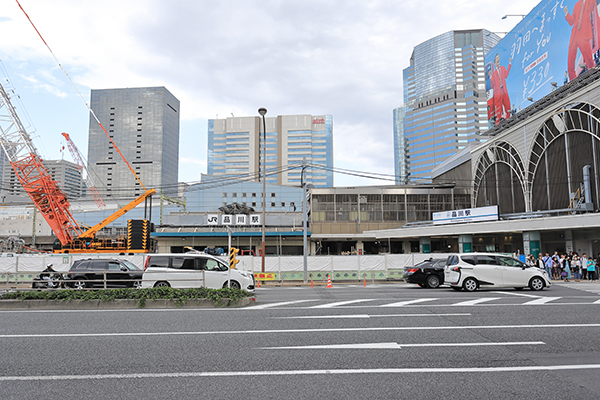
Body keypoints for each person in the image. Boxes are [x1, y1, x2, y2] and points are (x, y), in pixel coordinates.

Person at [564, 0, 598, 80]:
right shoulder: (577, 4)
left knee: (588, 58)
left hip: (584, 34)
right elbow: (572, 21)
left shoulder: (589, 2)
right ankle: (573, 81)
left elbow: (590, 9)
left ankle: (593, 75)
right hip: (575, 35)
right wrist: (567, 13)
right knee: (570, 61)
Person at [490, 54, 512, 124]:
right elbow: (492, 85)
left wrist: (509, 64)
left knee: (508, 107)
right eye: (497, 58)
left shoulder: (502, 68)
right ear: (495, 62)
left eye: (499, 57)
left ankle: (508, 119)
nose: (498, 59)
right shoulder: (493, 74)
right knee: (498, 111)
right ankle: (497, 123)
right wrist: (490, 77)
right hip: (498, 94)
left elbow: (506, 75)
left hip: (504, 91)